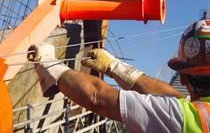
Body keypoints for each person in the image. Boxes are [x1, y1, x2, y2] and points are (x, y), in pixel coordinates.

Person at [27, 19, 210, 133]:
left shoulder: (187, 118)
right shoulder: (198, 113)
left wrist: (49, 64)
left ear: (184, 78)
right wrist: (116, 67)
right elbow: (175, 99)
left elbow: (96, 97)